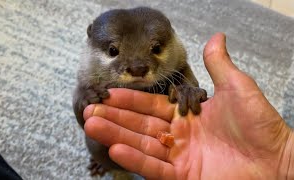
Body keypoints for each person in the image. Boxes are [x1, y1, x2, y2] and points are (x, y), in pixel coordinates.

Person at [83, 33, 294, 179]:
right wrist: (283, 159)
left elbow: (186, 80)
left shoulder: (177, 69)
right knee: (99, 140)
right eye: (113, 51)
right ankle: (103, 162)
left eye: (155, 48)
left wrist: (283, 158)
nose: (137, 69)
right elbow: (83, 115)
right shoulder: (91, 75)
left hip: (169, 149)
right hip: (119, 143)